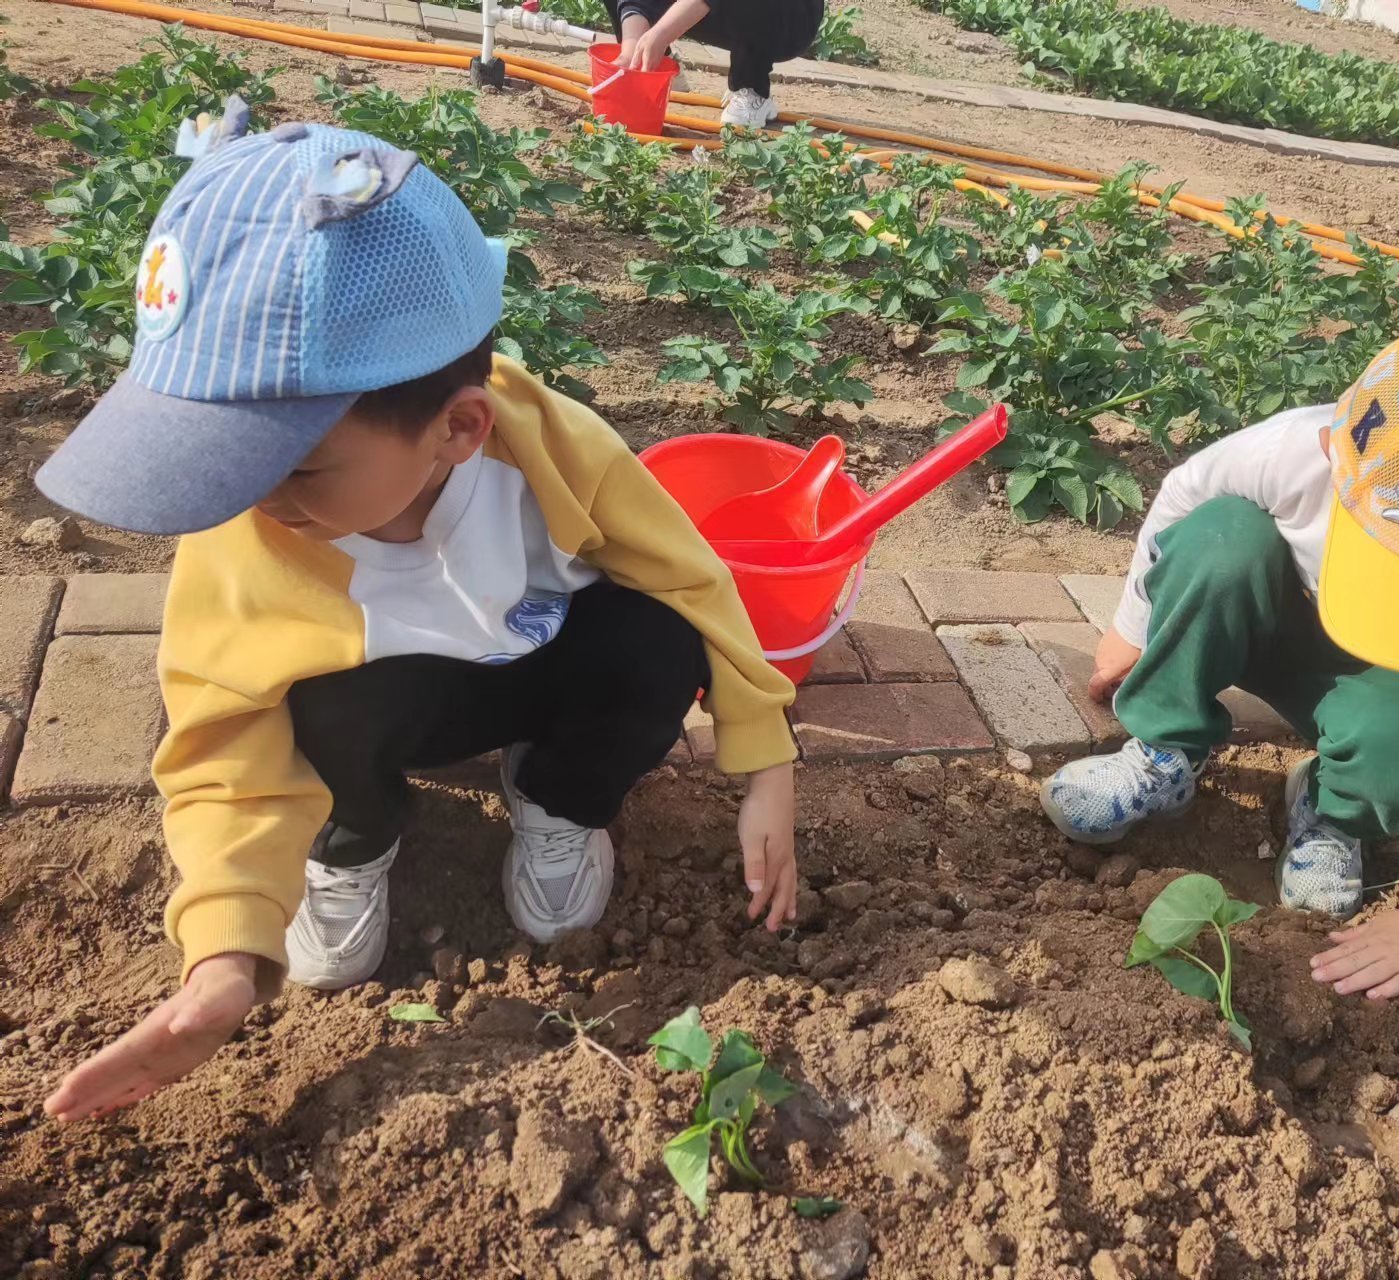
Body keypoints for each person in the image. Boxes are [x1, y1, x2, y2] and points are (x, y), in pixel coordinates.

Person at [37, 105, 800, 1122]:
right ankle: (350, 835)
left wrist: (766, 755)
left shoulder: (553, 452)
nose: (254, 497)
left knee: (654, 641)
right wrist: (225, 948)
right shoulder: (247, 535)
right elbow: (222, 739)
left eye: (292, 466)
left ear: (458, 427)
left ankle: (558, 800)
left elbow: (692, 578)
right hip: (378, 708)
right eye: (221, 463)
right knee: (311, 705)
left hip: (530, 671)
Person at [1042, 313, 1399, 1000]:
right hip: (1264, 625)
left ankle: (1332, 808)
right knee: (1220, 539)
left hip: (1391, 691)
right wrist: (1132, 629)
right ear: (1334, 450)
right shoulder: (1292, 453)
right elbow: (1182, 494)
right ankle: (1167, 749)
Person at [602, 0, 826, 129]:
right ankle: (657, 69)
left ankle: (752, 85)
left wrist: (661, 33)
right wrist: (632, 46)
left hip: (787, 16)